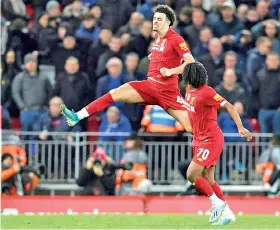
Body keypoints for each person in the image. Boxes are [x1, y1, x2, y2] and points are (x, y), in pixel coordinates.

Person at [61, 5, 195, 133]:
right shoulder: (157, 38)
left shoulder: (176, 39)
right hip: (150, 86)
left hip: (166, 90)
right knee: (114, 93)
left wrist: (171, 71)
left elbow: (190, 63)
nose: (155, 22)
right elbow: (164, 55)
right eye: (154, 18)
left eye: (159, 19)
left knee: (191, 127)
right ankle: (77, 116)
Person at [182, 62, 252, 226]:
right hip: (198, 138)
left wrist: (240, 127)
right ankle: (227, 213)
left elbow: (229, 106)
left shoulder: (207, 92)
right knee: (208, 178)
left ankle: (217, 203)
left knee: (191, 174)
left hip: (210, 139)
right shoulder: (188, 89)